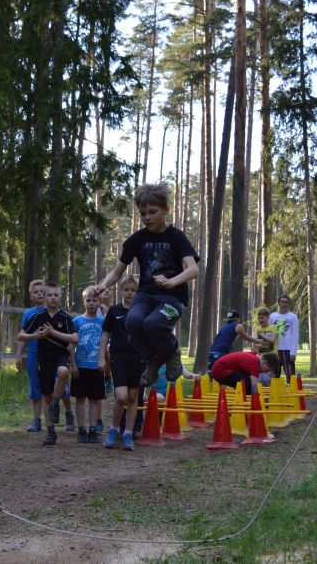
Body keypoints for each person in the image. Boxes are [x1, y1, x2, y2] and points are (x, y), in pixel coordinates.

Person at [90, 182, 199, 386]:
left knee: (153, 324)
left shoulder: (176, 237)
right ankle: (153, 359)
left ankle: (172, 350)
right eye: (143, 213)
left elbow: (193, 269)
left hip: (173, 298)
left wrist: (171, 281)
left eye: (152, 212)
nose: (147, 217)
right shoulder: (137, 239)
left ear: (165, 210)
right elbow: (117, 272)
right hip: (146, 295)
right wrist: (104, 284)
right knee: (132, 322)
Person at [18, 282, 78, 446]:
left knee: (63, 371)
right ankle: (51, 432)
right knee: (46, 396)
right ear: (44, 297)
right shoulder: (37, 317)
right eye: (49, 295)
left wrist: (53, 332)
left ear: (60, 297)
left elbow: (74, 338)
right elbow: (21, 336)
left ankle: (56, 403)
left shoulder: (65, 318)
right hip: (43, 359)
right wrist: (36, 336)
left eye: (56, 295)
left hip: (60, 355)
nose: (53, 298)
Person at [100, 276, 144, 450]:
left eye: (133, 290)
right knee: (121, 396)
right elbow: (105, 333)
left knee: (133, 397)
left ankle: (128, 434)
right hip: (118, 358)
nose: (130, 293)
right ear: (121, 290)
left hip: (138, 358)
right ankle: (114, 430)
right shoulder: (114, 311)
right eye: (126, 290)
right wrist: (101, 357)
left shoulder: (142, 311)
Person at [73, 287, 106, 444]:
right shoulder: (77, 321)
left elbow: (106, 344)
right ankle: (81, 429)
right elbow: (71, 344)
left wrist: (105, 363)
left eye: (95, 300)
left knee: (94, 399)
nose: (91, 303)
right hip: (80, 366)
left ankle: (93, 429)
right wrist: (72, 364)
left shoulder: (103, 322)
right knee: (80, 398)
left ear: (99, 302)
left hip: (96, 366)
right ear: (83, 301)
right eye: (88, 300)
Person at [16, 279, 46, 432]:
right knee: (35, 386)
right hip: (33, 354)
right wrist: (19, 355)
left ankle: (68, 413)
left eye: (42, 291)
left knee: (59, 385)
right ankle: (36, 420)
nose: (40, 294)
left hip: (52, 355)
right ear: (31, 296)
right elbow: (23, 335)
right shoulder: (28, 314)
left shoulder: (52, 311)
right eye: (36, 292)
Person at [210, 351, 280, 396]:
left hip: (222, 369)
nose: (266, 372)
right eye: (267, 370)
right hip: (220, 371)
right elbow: (254, 386)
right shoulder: (255, 363)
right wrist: (261, 398)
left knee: (246, 382)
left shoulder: (256, 356)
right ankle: (248, 402)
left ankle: (244, 398)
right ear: (264, 363)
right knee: (247, 385)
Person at [270, 295, 300, 383]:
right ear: (279, 303)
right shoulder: (272, 316)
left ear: (289, 304)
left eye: (286, 302)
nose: (284, 304)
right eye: (282, 301)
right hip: (274, 349)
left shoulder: (293, 317)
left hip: (287, 349)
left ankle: (293, 390)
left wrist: (293, 352)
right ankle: (275, 391)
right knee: (274, 374)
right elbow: (268, 332)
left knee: (290, 374)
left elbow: (295, 335)